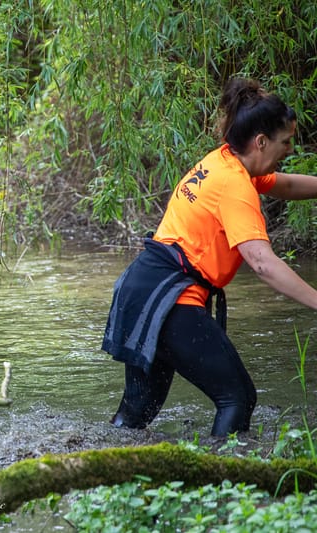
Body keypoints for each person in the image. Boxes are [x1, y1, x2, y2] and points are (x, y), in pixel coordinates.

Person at [102, 77, 317, 437]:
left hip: (142, 291)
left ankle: (92, 467)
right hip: (171, 299)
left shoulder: (224, 162)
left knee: (137, 413)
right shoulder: (235, 187)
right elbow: (263, 264)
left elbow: (287, 185)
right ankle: (223, 486)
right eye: (286, 142)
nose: (290, 149)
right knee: (238, 397)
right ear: (261, 141)